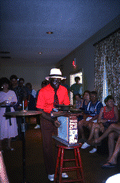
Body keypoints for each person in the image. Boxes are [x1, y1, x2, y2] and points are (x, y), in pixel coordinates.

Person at [36, 68, 70, 182]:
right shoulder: (43, 91)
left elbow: (66, 106)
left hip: (60, 119)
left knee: (60, 145)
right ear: (50, 80)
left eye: (58, 80)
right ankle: (51, 171)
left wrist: (64, 116)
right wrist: (52, 119)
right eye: (54, 80)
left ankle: (61, 168)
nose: (56, 82)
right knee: (47, 147)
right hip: (46, 119)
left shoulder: (64, 90)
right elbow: (40, 110)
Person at [0, 77, 18, 151]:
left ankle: (9, 145)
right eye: (4, 84)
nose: (6, 86)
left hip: (11, 110)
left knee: (10, 128)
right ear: (2, 85)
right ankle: (0, 147)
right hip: (2, 111)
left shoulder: (12, 92)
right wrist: (2, 103)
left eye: (7, 84)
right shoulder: (0, 93)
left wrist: (11, 103)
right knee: (2, 128)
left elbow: (15, 101)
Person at [10, 75, 24, 140]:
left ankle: (20, 135)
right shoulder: (9, 88)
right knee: (13, 122)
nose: (13, 82)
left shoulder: (20, 88)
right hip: (11, 107)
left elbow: (23, 97)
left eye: (14, 80)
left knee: (19, 121)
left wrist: (20, 104)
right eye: (12, 81)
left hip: (18, 106)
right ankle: (14, 136)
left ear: (16, 81)